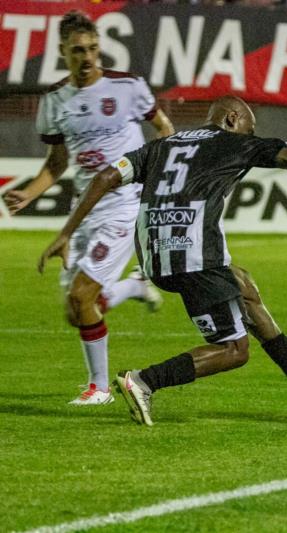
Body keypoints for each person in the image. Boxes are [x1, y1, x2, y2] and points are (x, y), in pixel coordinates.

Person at [39, 96, 287, 426]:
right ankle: (145, 381)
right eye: (250, 127)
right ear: (233, 118)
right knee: (234, 351)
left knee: (243, 287)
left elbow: (105, 176)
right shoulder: (235, 142)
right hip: (195, 256)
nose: (251, 134)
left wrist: (66, 232)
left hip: (154, 255)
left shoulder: (160, 146)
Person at [2, 11, 175, 406]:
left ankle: (99, 389)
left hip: (123, 205)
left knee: (83, 297)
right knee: (76, 310)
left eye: (93, 48)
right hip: (86, 208)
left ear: (100, 48)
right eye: (78, 50)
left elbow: (164, 130)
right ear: (62, 51)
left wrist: (157, 175)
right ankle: (134, 287)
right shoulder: (54, 101)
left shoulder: (128, 86)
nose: (87, 56)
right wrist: (29, 193)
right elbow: (57, 162)